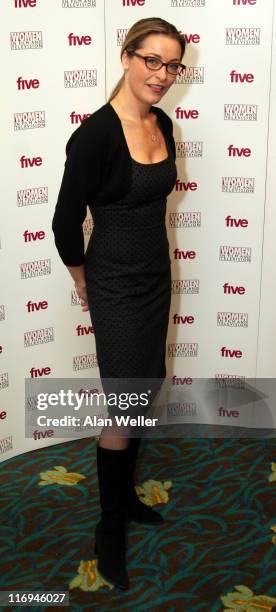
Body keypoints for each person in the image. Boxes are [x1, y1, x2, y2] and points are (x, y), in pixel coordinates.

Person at [52, 17, 186, 590]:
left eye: (173, 64)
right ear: (126, 56)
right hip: (113, 284)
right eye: (151, 60)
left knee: (144, 387)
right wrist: (83, 281)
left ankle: (125, 498)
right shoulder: (95, 136)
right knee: (122, 400)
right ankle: (109, 525)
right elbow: (64, 224)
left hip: (156, 277)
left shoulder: (163, 122)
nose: (162, 74)